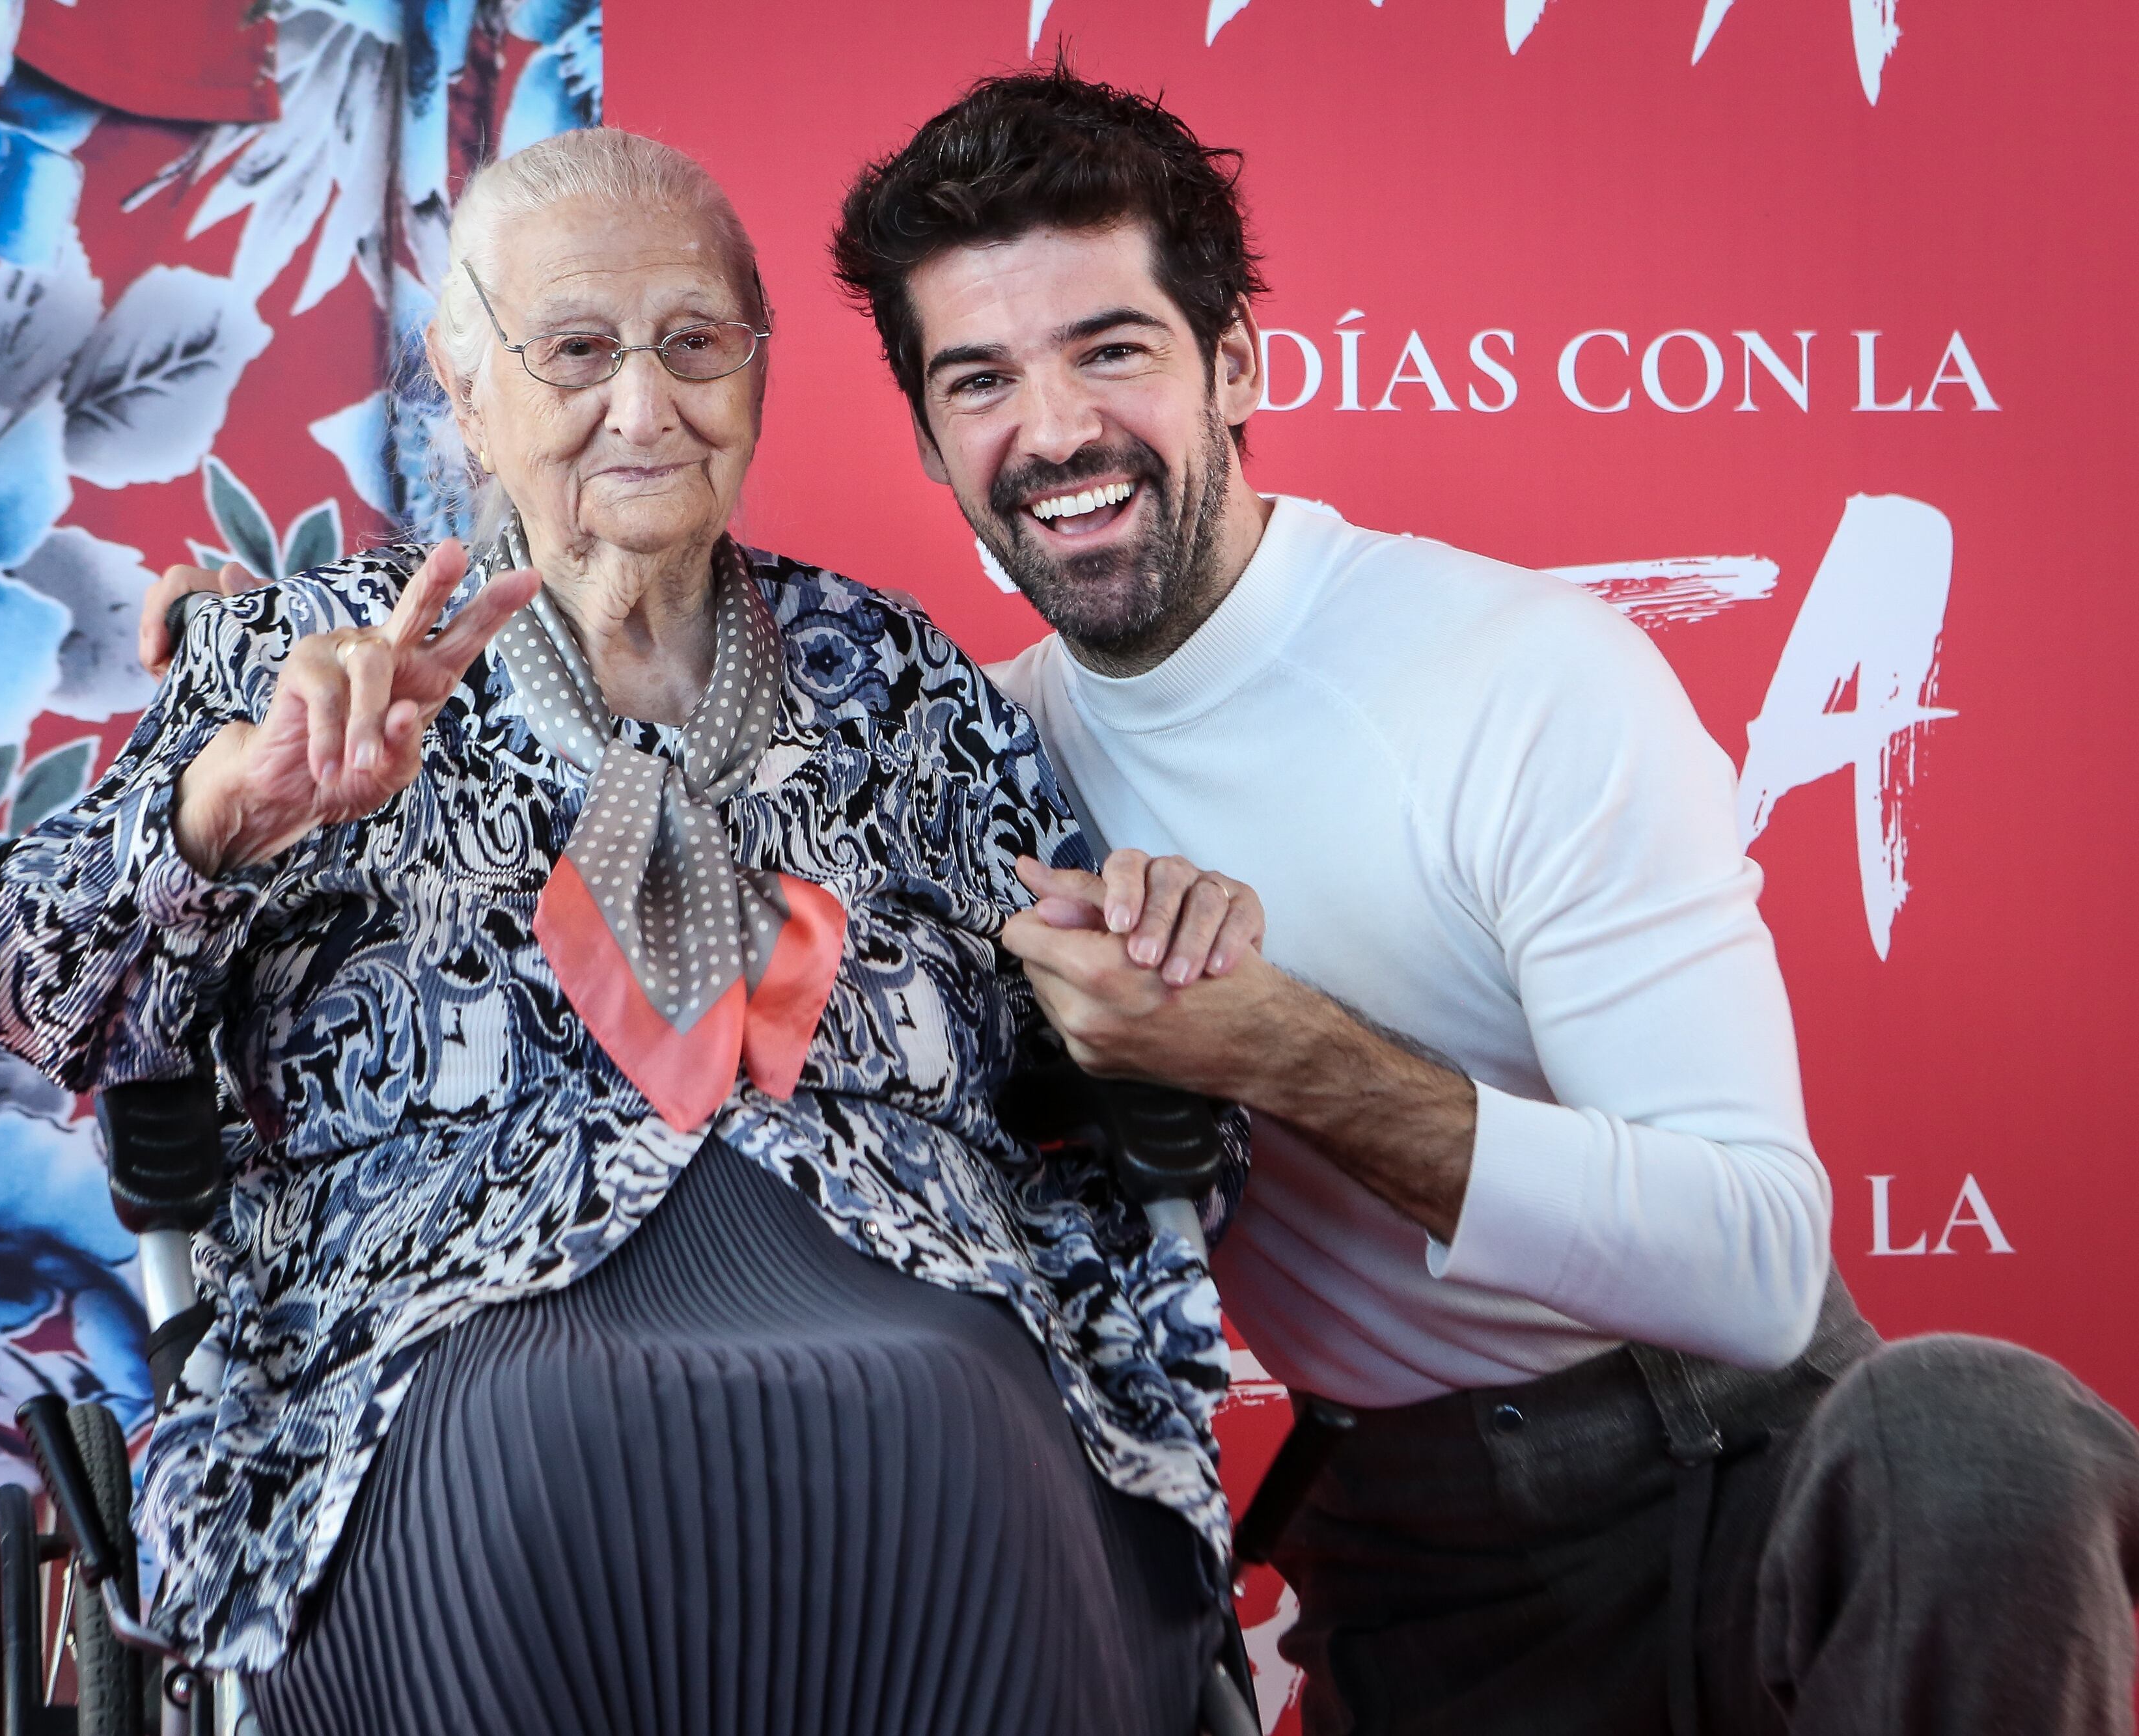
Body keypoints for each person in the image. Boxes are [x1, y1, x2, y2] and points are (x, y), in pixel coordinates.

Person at [817, 65, 2139, 1736]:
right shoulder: (971, 764)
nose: (1055, 429)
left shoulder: (1516, 674)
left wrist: (1287, 1051)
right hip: (1420, 1563)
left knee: (1978, 1429)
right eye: (980, 378)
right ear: (933, 442)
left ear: (1233, 364)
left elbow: (1749, 1260)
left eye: (1111, 348)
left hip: (1752, 1468)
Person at [0, 127, 1258, 1736]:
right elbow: (24, 988)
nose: (642, 406)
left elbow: (1142, 1082)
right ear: (462, 374)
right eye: (575, 347)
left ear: (760, 374)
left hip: (909, 1288)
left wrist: (1163, 965)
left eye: (695, 342)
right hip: (443, 1317)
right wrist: (222, 817)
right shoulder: (297, 655)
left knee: (946, 1414)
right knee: (529, 1433)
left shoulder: (898, 678)